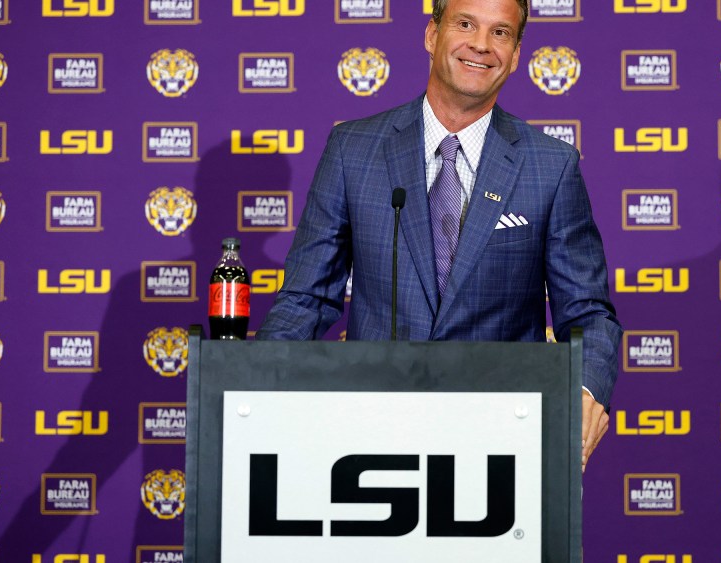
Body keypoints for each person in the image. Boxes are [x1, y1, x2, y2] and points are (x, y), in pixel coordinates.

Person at [257, 0, 621, 470]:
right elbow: (307, 296)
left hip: (502, 441)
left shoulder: (550, 166)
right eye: (465, 24)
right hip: (371, 434)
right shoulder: (353, 149)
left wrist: (587, 388)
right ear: (432, 36)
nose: (481, 46)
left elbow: (588, 311)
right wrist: (257, 383)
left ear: (515, 56)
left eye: (501, 33)